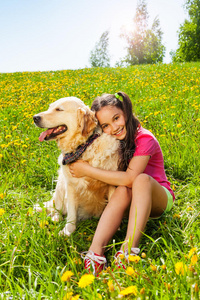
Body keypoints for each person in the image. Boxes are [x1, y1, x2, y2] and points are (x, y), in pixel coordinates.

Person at [69, 91, 175, 275]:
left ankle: (128, 251)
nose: (114, 127)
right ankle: (95, 252)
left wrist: (86, 170)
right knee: (122, 191)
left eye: (116, 118)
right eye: (106, 125)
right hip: (133, 200)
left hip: (159, 199)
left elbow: (129, 178)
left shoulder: (144, 138)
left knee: (138, 180)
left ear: (125, 111)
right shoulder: (114, 141)